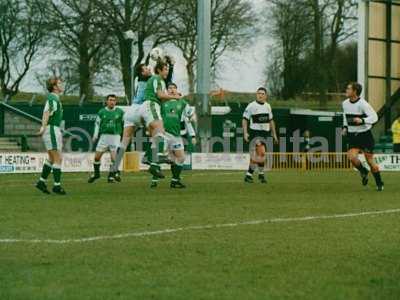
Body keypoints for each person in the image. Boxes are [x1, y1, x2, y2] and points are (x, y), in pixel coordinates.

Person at [140, 61, 181, 179]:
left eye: (168, 69)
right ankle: (159, 157)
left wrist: (172, 97)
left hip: (148, 106)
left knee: (155, 137)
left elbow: (162, 98)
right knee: (161, 131)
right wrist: (175, 96)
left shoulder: (157, 79)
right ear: (158, 70)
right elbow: (159, 96)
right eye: (165, 69)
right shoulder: (158, 79)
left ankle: (150, 160)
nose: (167, 72)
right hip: (151, 105)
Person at [150, 82, 196, 188]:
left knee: (181, 158)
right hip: (163, 133)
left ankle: (175, 180)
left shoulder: (182, 103)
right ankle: (155, 178)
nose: (171, 90)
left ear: (177, 90)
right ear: (166, 91)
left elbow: (190, 115)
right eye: (169, 88)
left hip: (176, 135)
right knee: (161, 155)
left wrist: (193, 118)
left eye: (174, 88)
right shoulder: (161, 102)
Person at [342, 82, 384, 191]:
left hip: (365, 136)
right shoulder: (345, 103)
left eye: (348, 88)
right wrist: (345, 127)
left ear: (355, 91)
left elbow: (374, 117)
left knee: (370, 161)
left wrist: (363, 120)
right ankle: (363, 171)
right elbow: (345, 116)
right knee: (351, 157)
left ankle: (379, 183)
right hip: (352, 136)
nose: (346, 90)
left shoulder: (363, 104)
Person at [35, 77, 66, 195]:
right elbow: (47, 112)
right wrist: (43, 127)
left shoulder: (55, 98)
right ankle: (57, 186)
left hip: (54, 128)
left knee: (53, 158)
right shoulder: (53, 98)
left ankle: (41, 182)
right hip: (52, 129)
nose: (62, 84)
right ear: (54, 87)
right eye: (59, 83)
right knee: (57, 158)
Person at [242, 87, 278, 184]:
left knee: (260, 155)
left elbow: (271, 120)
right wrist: (245, 133)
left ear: (266, 96)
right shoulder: (251, 106)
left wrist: (274, 134)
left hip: (265, 133)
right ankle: (254, 175)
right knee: (261, 152)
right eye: (259, 93)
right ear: (256, 95)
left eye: (262, 93)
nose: (260, 95)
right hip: (255, 133)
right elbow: (245, 119)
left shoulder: (268, 106)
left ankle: (256, 175)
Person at [88, 95, 124, 183]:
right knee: (97, 157)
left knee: (113, 157)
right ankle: (97, 174)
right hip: (104, 137)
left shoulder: (120, 112)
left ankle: (111, 176)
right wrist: (95, 135)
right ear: (107, 101)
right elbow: (97, 124)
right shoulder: (102, 112)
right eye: (110, 100)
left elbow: (125, 122)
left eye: (114, 100)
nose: (112, 102)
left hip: (115, 136)